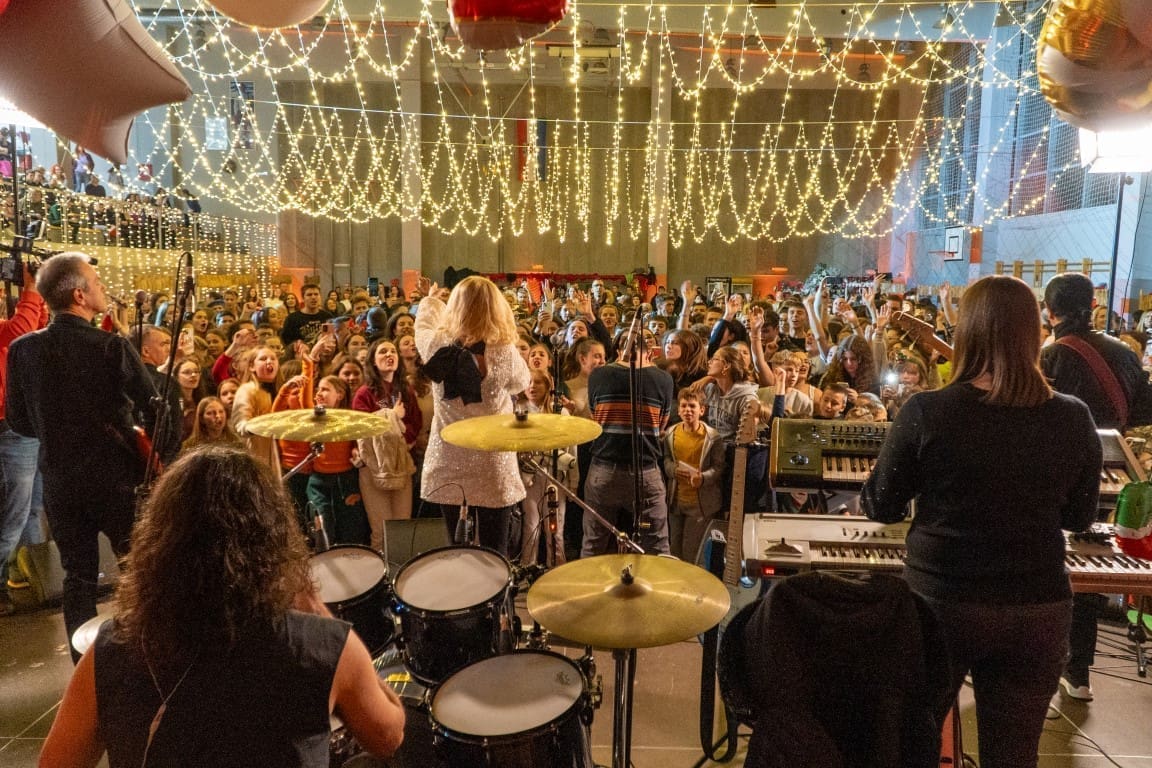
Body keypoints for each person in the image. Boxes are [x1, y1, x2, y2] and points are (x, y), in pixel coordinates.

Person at [863, 275, 1102, 767]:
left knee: (915, 742)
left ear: (967, 331)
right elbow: (1080, 517)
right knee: (1013, 755)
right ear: (1034, 333)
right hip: (1037, 606)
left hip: (942, 602)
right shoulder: (1074, 417)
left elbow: (882, 506)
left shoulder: (927, 411)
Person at [38, 446, 405, 767]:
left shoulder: (112, 648)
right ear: (272, 539)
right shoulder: (321, 645)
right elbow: (388, 736)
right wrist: (318, 612)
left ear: (159, 543)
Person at [6, 254, 158, 658]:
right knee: (138, 569)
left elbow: (19, 422)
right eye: (96, 282)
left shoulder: (22, 350)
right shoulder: (111, 346)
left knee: (78, 577)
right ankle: (146, 655)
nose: (102, 288)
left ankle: (85, 669)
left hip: (60, 480)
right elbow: (155, 408)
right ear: (79, 295)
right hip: (116, 479)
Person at [1040, 272, 1152, 701]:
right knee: (1092, 564)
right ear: (1092, 306)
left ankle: (1048, 667)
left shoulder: (1052, 355)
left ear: (1050, 311)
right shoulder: (1124, 353)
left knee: (1056, 567)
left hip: (1061, 473)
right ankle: (1079, 673)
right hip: (1114, 472)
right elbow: (1142, 415)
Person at [414, 275, 531, 556]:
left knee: (456, 550)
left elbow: (422, 326)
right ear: (496, 308)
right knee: (496, 551)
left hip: (448, 458)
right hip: (493, 462)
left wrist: (431, 300)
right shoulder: (504, 352)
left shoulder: (436, 345)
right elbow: (521, 382)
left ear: (455, 305)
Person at [582, 329, 675, 557]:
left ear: (618, 350)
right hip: (646, 472)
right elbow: (661, 425)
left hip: (604, 471)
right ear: (649, 352)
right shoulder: (663, 379)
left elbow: (595, 417)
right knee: (657, 547)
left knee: (594, 544)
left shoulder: (598, 375)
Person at [0, 263, 49, 616]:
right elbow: (21, 330)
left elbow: (35, 331)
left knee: (32, 510)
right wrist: (31, 289)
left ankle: (38, 578)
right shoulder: (7, 330)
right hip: (8, 428)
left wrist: (38, 295)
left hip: (22, 425)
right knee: (14, 516)